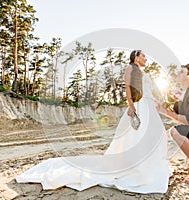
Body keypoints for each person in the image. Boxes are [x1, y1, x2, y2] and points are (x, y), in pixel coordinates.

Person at [16, 50, 173, 194]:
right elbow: (127, 89)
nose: (146, 58)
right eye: (143, 56)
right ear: (136, 57)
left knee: (156, 135)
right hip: (138, 107)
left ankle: (150, 166)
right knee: (136, 138)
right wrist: (131, 107)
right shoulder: (130, 69)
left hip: (149, 107)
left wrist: (159, 102)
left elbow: (151, 90)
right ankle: (137, 167)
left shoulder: (143, 73)